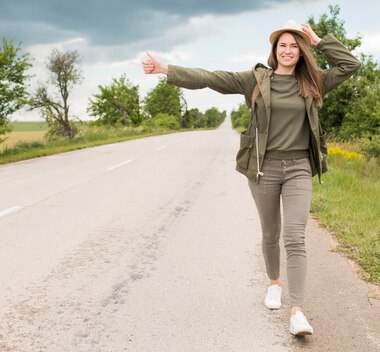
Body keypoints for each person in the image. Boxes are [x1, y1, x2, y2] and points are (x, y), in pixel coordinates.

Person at [142, 20, 361, 336]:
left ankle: (297, 311)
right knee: (271, 232)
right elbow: (211, 78)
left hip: (299, 166)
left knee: (295, 236)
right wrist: (166, 69)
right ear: (274, 50)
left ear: (301, 51)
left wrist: (318, 39)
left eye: (294, 45)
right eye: (282, 44)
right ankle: (274, 282)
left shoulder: (315, 82)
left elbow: (351, 64)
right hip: (264, 168)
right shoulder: (256, 80)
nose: (288, 50)